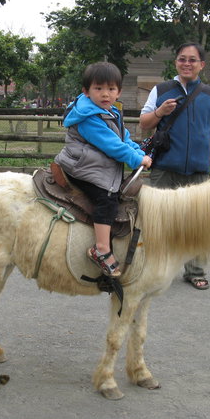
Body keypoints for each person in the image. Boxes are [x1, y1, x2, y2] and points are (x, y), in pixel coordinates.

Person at [139, 42, 210, 290]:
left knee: (198, 223)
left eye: (192, 60)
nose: (186, 64)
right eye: (182, 59)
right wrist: (160, 111)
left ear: (202, 64)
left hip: (198, 171)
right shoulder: (161, 90)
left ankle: (195, 271)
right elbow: (144, 124)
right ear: (175, 62)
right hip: (164, 169)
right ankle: (155, 270)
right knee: (157, 220)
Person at [55, 62, 152, 278]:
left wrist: (139, 151)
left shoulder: (110, 112)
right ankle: (101, 249)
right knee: (107, 197)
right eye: (98, 89)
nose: (105, 94)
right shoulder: (89, 117)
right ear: (86, 91)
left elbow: (123, 138)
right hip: (81, 166)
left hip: (94, 162)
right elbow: (113, 146)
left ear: (119, 92)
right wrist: (137, 160)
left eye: (111, 89)